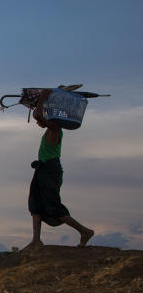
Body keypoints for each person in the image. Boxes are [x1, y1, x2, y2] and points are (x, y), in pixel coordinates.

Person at [25, 90, 94, 249]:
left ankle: (84, 231)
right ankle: (36, 240)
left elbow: (37, 115)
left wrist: (43, 96)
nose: (38, 122)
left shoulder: (55, 128)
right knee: (35, 204)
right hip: (42, 169)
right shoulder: (50, 130)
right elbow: (38, 117)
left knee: (53, 206)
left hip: (50, 170)